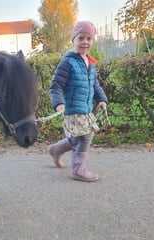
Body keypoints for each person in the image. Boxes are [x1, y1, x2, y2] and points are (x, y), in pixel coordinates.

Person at [47, 20, 108, 182]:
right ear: (73, 40)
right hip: (72, 108)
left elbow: (95, 84)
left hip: (86, 108)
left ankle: (56, 149)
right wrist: (58, 103)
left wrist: (101, 99)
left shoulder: (90, 62)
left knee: (76, 138)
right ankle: (78, 170)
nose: (85, 42)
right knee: (86, 135)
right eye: (81, 38)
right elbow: (56, 86)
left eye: (89, 39)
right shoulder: (68, 62)